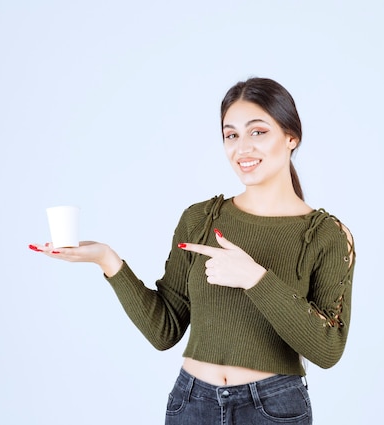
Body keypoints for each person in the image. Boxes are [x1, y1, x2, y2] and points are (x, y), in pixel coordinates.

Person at [29, 77, 355, 424]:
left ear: (291, 137)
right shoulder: (200, 219)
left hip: (274, 408)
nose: (242, 148)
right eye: (231, 135)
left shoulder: (326, 236)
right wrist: (107, 260)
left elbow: (327, 349)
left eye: (257, 132)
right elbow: (164, 330)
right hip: (192, 403)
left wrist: (255, 278)